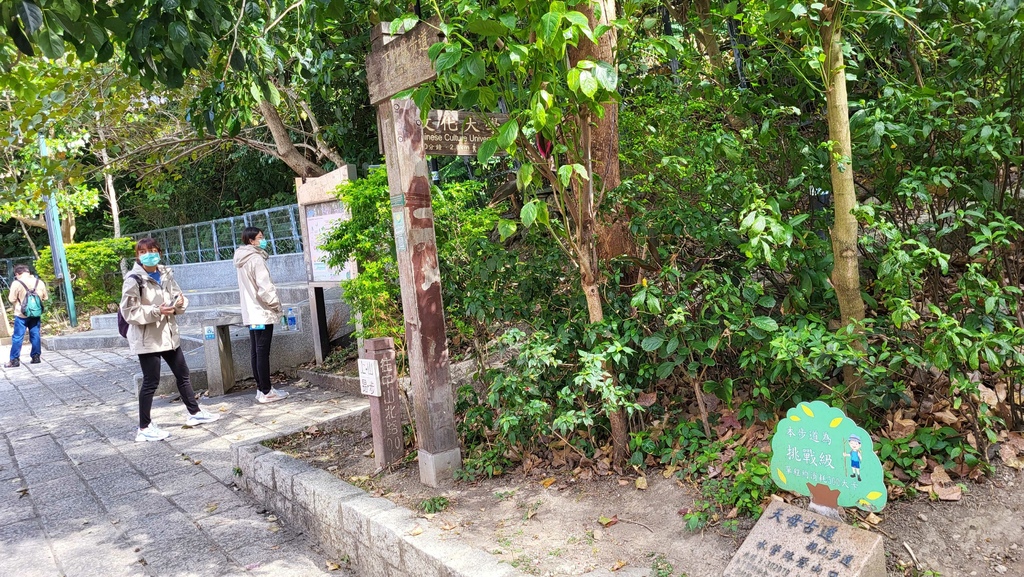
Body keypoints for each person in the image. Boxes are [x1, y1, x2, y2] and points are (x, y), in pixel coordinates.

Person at [120, 238, 219, 441]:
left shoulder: (166, 273)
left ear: (160, 253)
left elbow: (177, 298)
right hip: (148, 338)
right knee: (150, 381)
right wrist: (157, 310)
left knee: (183, 374)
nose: (149, 254)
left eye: (153, 250)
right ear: (138, 256)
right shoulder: (133, 279)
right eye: (144, 251)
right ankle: (144, 427)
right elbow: (129, 311)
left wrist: (180, 302)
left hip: (169, 334)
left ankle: (194, 413)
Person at [234, 226, 289, 403]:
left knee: (256, 352)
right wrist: (276, 306)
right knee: (262, 352)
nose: (263, 239)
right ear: (251, 241)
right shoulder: (256, 259)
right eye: (260, 237)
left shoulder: (241, 259)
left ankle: (261, 388)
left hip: (251, 313)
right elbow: (265, 288)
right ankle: (266, 391)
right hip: (262, 311)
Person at [5, 264, 49, 367]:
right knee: (35, 335)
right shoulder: (39, 282)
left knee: (17, 337)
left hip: (21, 314)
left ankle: (14, 360)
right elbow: (45, 297)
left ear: (17, 274)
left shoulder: (16, 283)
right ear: (28, 272)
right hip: (35, 314)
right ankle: (36, 357)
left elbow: (11, 299)